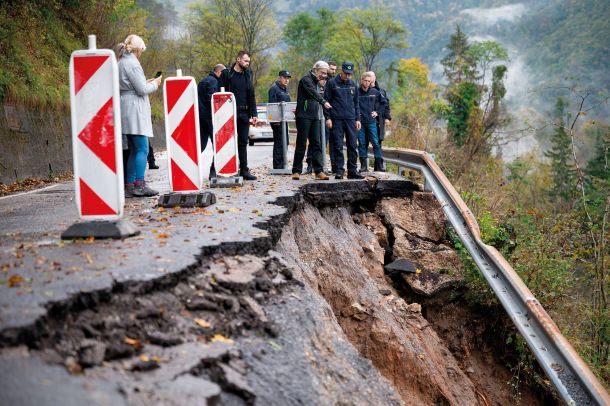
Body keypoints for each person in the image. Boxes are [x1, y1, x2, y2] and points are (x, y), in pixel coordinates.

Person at [117, 34, 161, 197]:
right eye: (141, 50)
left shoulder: (121, 62)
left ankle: (130, 184)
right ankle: (140, 184)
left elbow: (135, 85)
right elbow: (142, 90)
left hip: (125, 107)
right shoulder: (133, 64)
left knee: (133, 149)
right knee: (142, 148)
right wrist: (155, 84)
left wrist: (147, 82)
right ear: (138, 49)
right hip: (135, 108)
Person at [219, 51, 258, 180]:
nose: (248, 63)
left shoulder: (248, 74)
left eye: (249, 62)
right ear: (238, 59)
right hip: (228, 113)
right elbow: (219, 93)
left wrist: (254, 114)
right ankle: (218, 169)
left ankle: (244, 170)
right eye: (246, 61)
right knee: (226, 142)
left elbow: (251, 94)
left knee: (243, 142)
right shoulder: (227, 74)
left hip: (244, 113)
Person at [291, 61, 331, 181]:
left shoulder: (317, 82)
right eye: (322, 72)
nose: (324, 75)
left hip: (314, 116)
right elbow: (313, 93)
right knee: (301, 143)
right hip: (303, 116)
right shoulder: (306, 80)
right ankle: (296, 171)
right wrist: (324, 102)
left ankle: (318, 171)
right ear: (315, 70)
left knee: (317, 144)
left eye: (325, 73)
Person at [324, 61, 363, 179]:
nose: (347, 76)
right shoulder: (331, 83)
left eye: (350, 74)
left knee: (352, 145)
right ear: (342, 71)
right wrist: (328, 118)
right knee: (338, 146)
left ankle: (352, 171)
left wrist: (358, 119)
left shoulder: (353, 84)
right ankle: (339, 170)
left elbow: (356, 103)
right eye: (346, 73)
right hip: (336, 119)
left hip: (351, 119)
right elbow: (326, 101)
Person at [198, 63, 225, 178]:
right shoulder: (214, 81)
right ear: (219, 72)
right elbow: (212, 98)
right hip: (210, 117)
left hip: (200, 117)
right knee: (218, 145)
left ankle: (190, 168)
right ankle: (213, 171)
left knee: (201, 145)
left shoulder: (202, 81)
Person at [357, 72, 383, 172]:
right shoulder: (356, 92)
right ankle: (364, 166)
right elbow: (352, 105)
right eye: (365, 81)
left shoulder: (375, 92)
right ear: (361, 80)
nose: (367, 83)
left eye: (369, 81)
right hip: (360, 123)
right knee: (362, 144)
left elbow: (384, 103)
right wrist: (356, 115)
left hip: (371, 122)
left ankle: (379, 165)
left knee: (375, 143)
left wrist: (377, 112)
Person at [268, 70, 291, 169]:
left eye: (288, 78)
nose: (286, 80)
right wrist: (275, 120)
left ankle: (283, 163)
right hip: (277, 121)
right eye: (285, 78)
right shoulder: (274, 89)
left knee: (285, 141)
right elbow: (272, 105)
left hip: (284, 119)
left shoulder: (285, 89)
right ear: (280, 78)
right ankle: (278, 165)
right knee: (279, 142)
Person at [371, 72, 391, 171]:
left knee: (378, 142)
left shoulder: (382, 91)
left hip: (380, 120)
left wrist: (387, 118)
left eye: (372, 77)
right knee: (365, 142)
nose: (370, 79)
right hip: (367, 120)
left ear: (375, 78)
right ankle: (364, 166)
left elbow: (386, 105)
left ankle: (378, 165)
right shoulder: (362, 90)